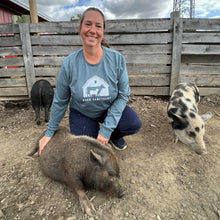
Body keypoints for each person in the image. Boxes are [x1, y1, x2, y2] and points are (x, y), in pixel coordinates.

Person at [39, 7, 142, 155]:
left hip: (108, 109)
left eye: (98, 26)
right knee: (88, 150)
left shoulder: (116, 59)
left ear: (103, 31)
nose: (92, 30)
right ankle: (94, 131)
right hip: (82, 112)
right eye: (88, 24)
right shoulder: (69, 64)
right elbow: (61, 100)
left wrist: (107, 129)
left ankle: (113, 136)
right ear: (80, 28)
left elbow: (123, 94)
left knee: (132, 123)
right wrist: (49, 132)